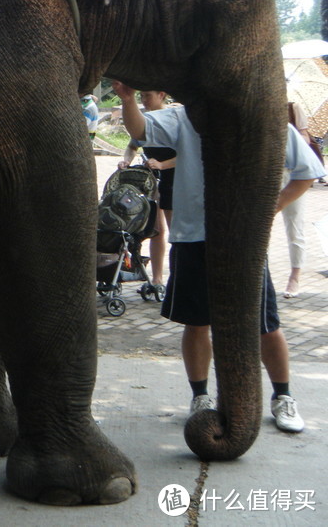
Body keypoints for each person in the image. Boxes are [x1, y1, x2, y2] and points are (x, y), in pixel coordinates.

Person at [114, 81, 322, 433]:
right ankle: (200, 396)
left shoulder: (262, 121)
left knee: (264, 323)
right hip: (192, 236)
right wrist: (127, 99)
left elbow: (307, 172)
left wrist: (271, 208)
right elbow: (141, 129)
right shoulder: (184, 119)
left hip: (241, 241)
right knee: (197, 322)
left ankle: (283, 396)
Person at [118, 90, 175, 293]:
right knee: (156, 229)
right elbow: (132, 145)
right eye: (140, 96)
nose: (143, 100)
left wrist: (162, 164)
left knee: (175, 231)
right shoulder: (143, 120)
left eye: (147, 96)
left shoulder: (174, 118)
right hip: (150, 180)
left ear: (161, 95)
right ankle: (157, 278)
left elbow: (188, 153)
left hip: (172, 179)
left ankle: (177, 277)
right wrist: (127, 159)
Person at [282, 102, 314, 296]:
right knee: (261, 227)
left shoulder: (293, 107)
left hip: (292, 173)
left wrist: (289, 136)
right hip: (267, 172)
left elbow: (306, 138)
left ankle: (295, 275)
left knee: (294, 226)